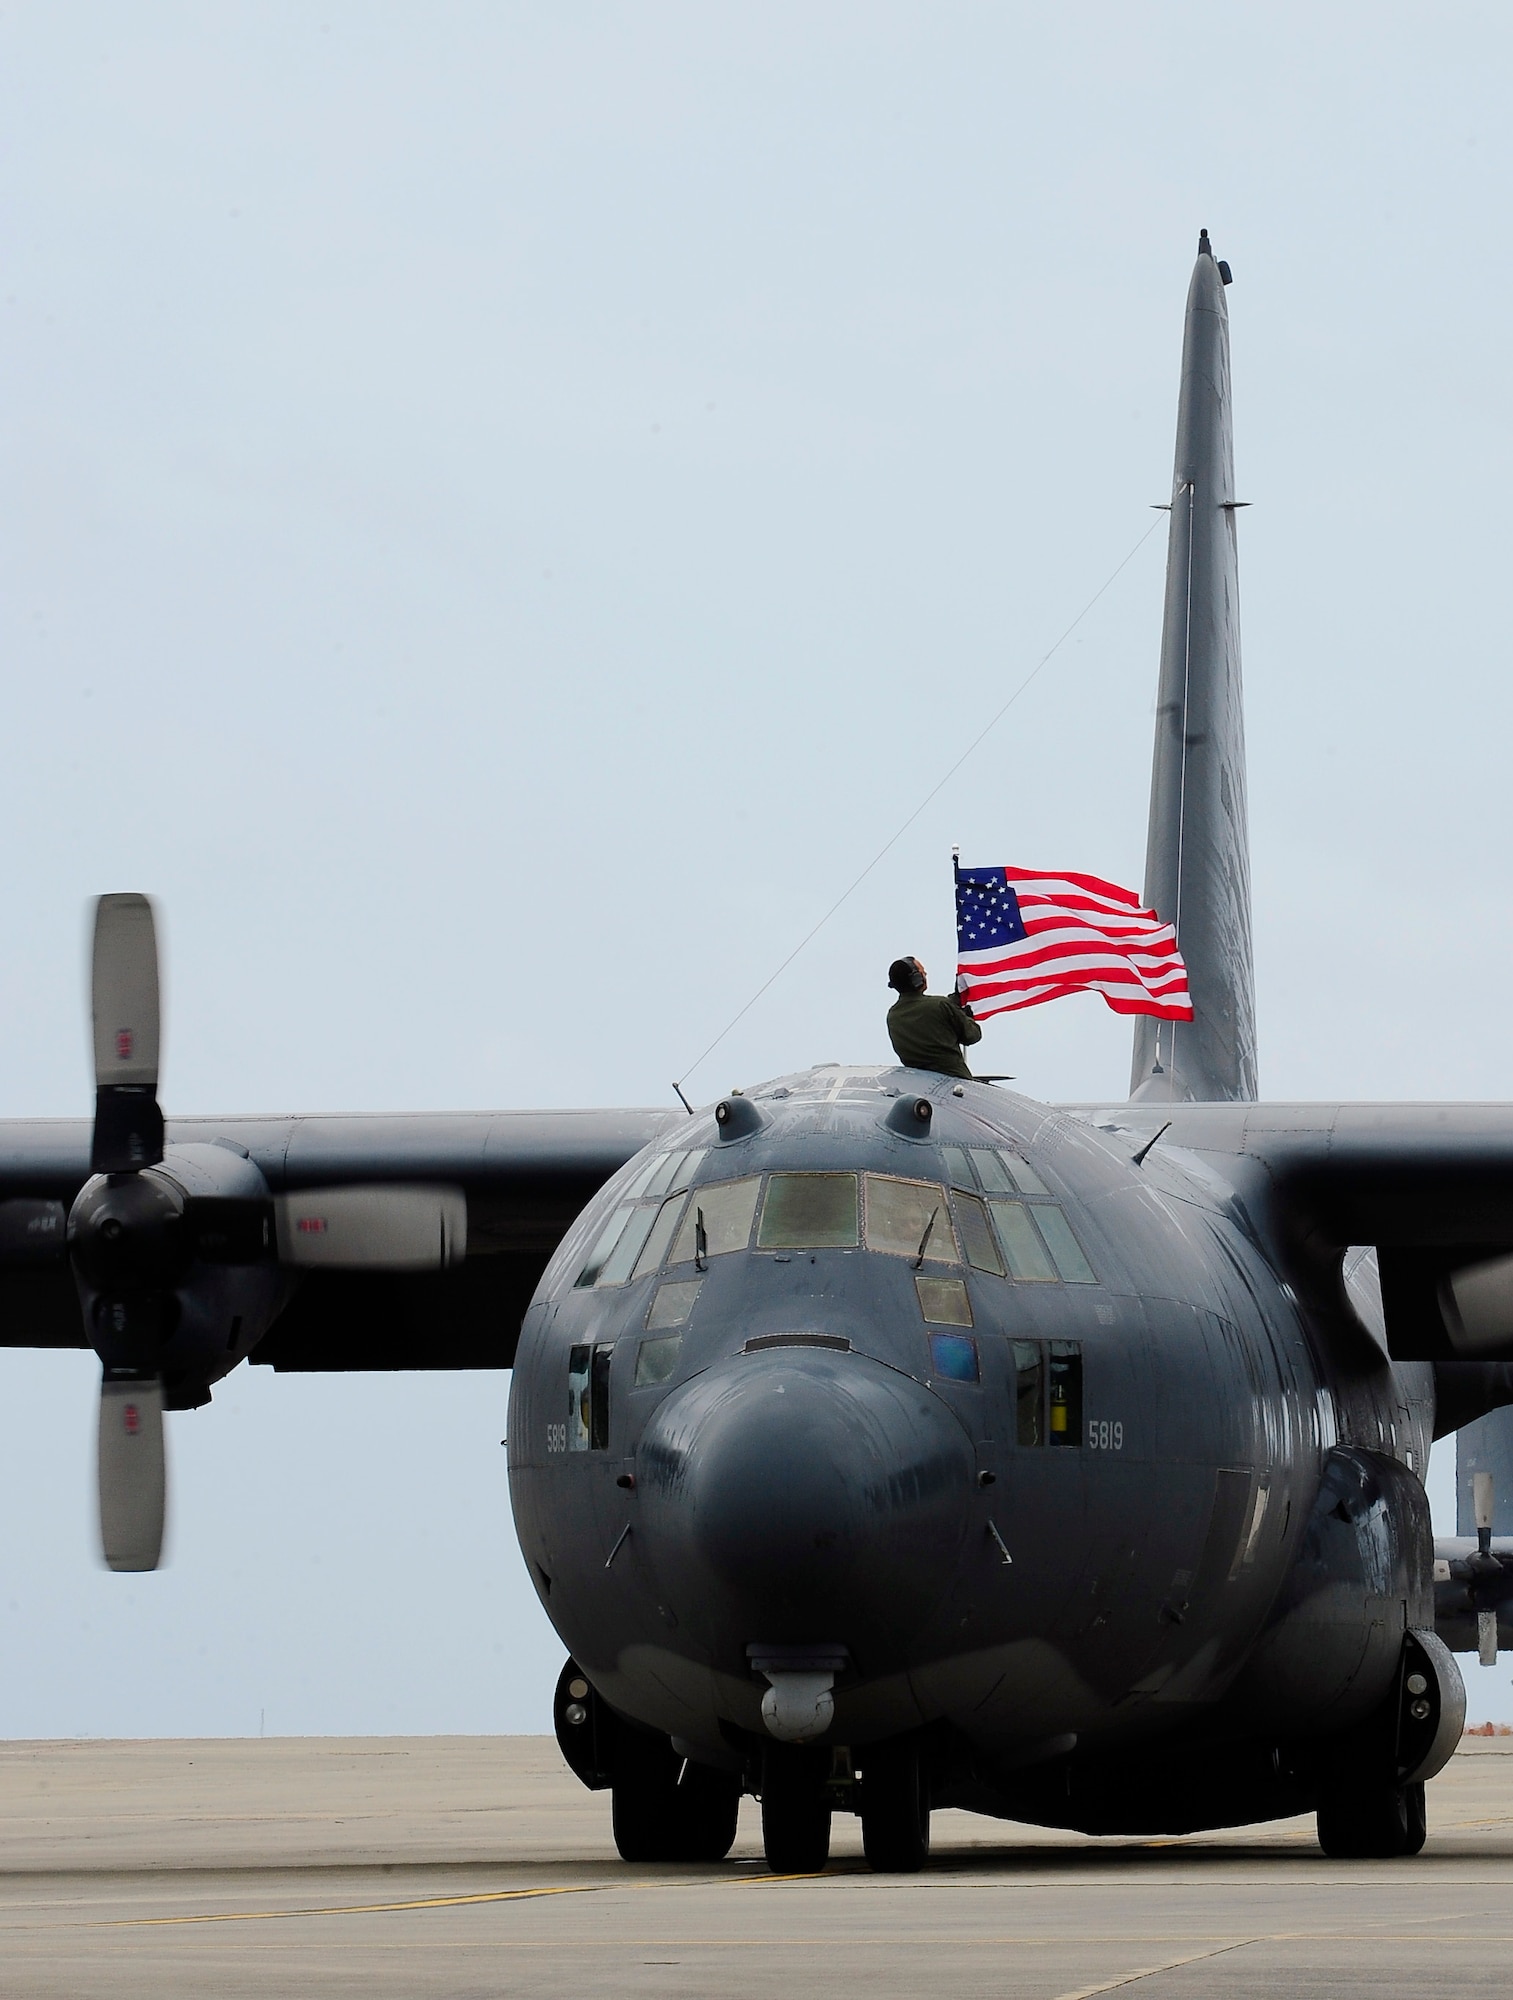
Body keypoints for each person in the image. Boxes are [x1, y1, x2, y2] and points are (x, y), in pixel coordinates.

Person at [885, 957, 982, 1080]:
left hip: (918, 1083)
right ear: (917, 979)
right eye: (922, 972)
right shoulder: (940, 1005)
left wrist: (954, 1002)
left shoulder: (893, 1015)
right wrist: (967, 1017)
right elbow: (973, 1035)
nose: (925, 974)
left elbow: (929, 1014)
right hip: (956, 1080)